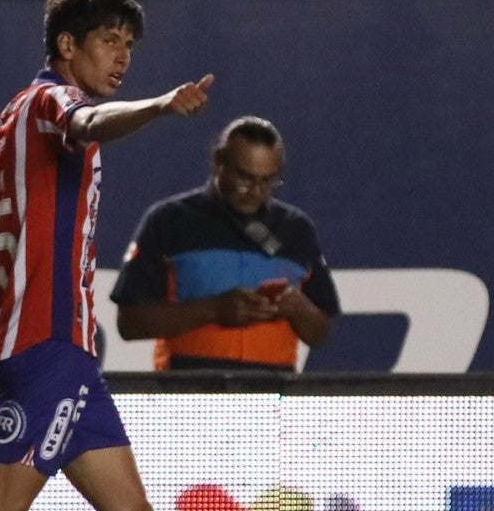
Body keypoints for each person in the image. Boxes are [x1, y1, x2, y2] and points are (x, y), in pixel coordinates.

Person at [0, 0, 213, 511]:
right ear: (67, 46)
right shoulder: (53, 100)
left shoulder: (10, 122)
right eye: (109, 40)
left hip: (69, 357)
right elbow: (87, 121)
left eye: (129, 46)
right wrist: (162, 104)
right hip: (49, 348)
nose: (122, 57)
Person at [109, 115, 340, 372]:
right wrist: (214, 309)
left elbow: (321, 333)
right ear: (218, 161)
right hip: (187, 398)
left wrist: (298, 308)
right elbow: (129, 324)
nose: (255, 191)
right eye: (245, 178)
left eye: (268, 181)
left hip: (272, 399)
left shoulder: (297, 229)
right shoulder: (169, 221)